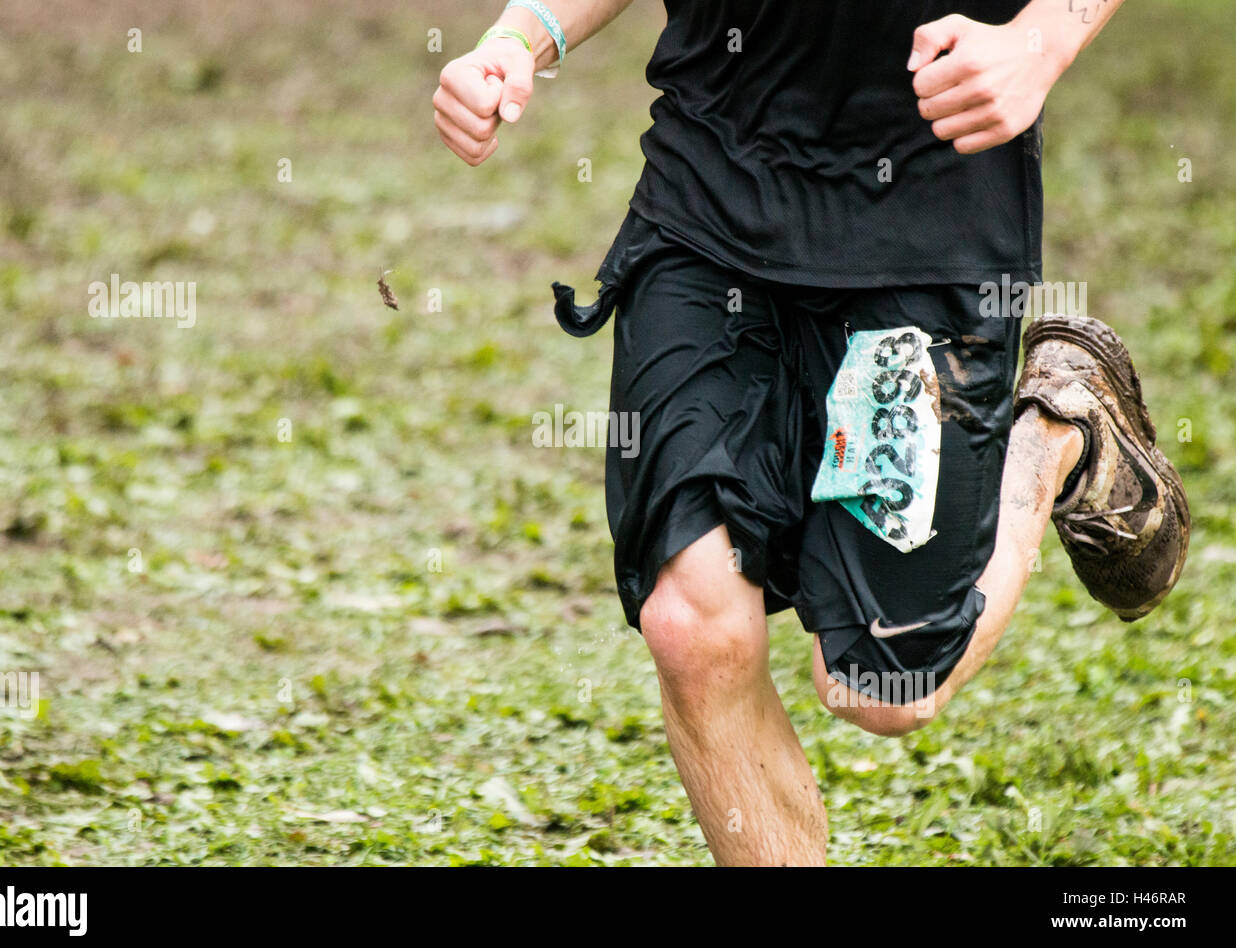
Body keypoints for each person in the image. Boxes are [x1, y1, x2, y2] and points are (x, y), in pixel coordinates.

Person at [432, 0, 1189, 866]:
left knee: (883, 687)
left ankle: (1059, 426)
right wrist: (518, 38)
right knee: (691, 622)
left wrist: (1041, 40)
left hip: (925, 212)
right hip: (711, 198)